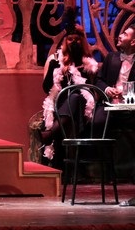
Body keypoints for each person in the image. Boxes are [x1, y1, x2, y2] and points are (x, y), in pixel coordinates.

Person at [38, 21, 103, 165]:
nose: (74, 42)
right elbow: (47, 88)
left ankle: (50, 134)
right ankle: (57, 159)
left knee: (74, 97)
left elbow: (92, 89)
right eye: (70, 39)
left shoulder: (88, 63)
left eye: (77, 39)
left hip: (82, 107)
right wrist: (55, 68)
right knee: (71, 98)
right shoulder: (55, 59)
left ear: (82, 41)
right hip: (59, 104)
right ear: (65, 41)